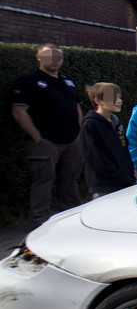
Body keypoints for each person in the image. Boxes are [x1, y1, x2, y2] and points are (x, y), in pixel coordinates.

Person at [11, 43, 84, 224]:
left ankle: (71, 216)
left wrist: (78, 131)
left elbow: (76, 107)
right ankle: (40, 220)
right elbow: (19, 111)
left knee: (69, 179)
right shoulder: (29, 81)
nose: (53, 61)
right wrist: (36, 135)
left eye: (57, 57)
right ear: (38, 57)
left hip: (71, 140)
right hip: (46, 141)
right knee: (43, 180)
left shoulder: (67, 80)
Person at [80, 83, 135, 199]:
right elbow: (95, 157)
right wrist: (117, 175)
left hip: (123, 183)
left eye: (119, 97)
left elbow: (124, 150)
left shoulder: (116, 122)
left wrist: (129, 175)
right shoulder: (90, 124)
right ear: (98, 101)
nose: (119, 101)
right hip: (105, 186)